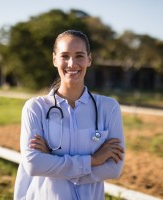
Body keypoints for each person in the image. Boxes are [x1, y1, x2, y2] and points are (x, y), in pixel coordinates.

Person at [14, 30, 125, 200]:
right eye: (64, 56)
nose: (72, 63)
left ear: (89, 59)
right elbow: (33, 164)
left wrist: (51, 160)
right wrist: (93, 161)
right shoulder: (35, 108)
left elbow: (113, 169)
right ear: (54, 59)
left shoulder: (108, 108)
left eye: (79, 56)